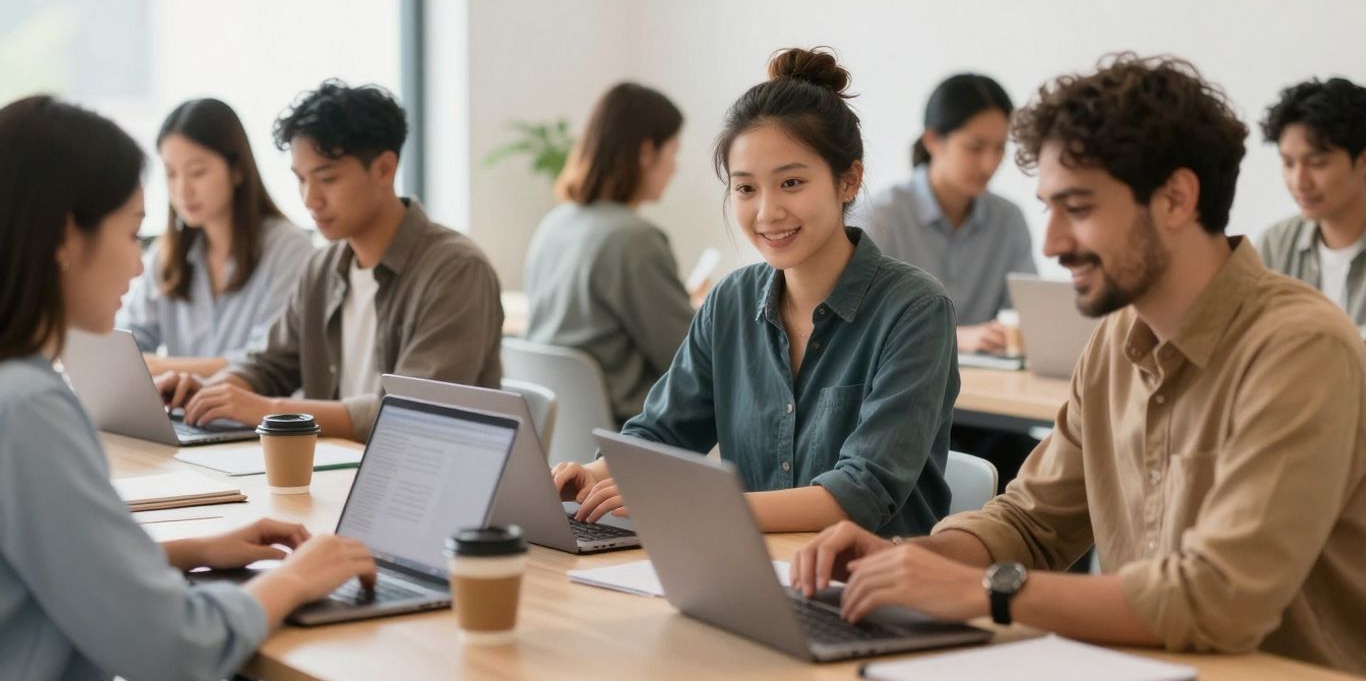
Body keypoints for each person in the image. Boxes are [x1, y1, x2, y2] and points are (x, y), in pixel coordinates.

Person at [791, 54, 1366, 674]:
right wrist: (914, 559)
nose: (1052, 244)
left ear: (1176, 198)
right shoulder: (1117, 338)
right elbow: (1033, 523)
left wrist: (990, 593)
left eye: (1080, 208)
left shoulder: (1301, 349)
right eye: (1049, 208)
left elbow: (1218, 600)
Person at [0, 95, 375, 681]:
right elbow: (171, 645)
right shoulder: (28, 409)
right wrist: (296, 578)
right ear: (65, 237)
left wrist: (196, 550)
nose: (135, 264)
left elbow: (50, 563)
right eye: (130, 233)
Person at [552, 48, 958, 536]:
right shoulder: (731, 302)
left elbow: (861, 492)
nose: (767, 212)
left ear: (848, 180)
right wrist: (594, 475)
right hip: (749, 574)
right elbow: (664, 432)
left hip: (867, 587)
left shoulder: (915, 310)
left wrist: (694, 506)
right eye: (745, 189)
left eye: (791, 182)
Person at [161, 81, 503, 442]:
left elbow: (413, 413)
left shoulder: (456, 271)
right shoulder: (323, 268)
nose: (310, 199)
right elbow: (268, 364)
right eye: (301, 180)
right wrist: (210, 390)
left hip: (425, 485)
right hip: (336, 473)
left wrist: (271, 410)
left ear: (385, 169)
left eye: (327, 179)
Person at [524, 82, 698, 424]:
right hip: (627, 439)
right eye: (673, 151)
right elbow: (691, 359)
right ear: (647, 152)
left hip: (557, 435)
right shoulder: (636, 239)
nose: (675, 167)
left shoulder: (554, 224)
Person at [117, 98, 314, 377]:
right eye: (171, 174)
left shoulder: (289, 249)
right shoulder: (166, 255)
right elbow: (128, 340)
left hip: (252, 418)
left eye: (197, 172)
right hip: (182, 416)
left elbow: (269, 360)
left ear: (237, 170)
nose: (182, 189)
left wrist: (164, 367)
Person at [866, 73, 1035, 354]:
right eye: (975, 147)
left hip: (989, 387)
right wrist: (956, 337)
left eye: (999, 149)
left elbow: (1025, 317)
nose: (989, 163)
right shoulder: (882, 217)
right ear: (933, 141)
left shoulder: (1009, 220)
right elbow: (862, 327)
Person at [1257, 77, 1366, 329]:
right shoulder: (1275, 245)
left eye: (1317, 163)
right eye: (1288, 163)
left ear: (1362, 161)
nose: (1299, 181)